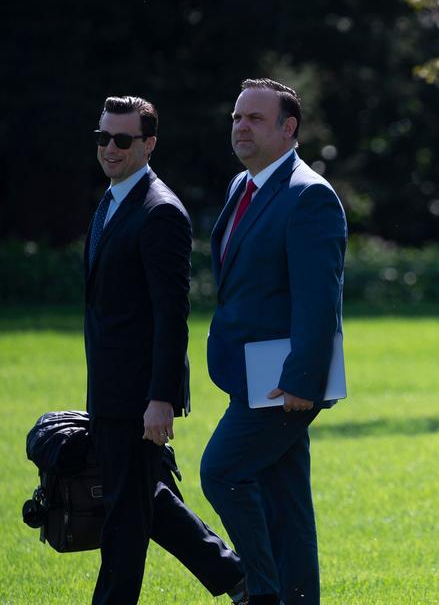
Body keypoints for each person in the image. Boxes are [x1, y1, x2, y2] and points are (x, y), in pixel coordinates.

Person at [83, 96, 246, 605]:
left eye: (123, 140)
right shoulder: (113, 200)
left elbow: (171, 316)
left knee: (124, 518)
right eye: (103, 138)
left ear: (148, 144)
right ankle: (238, 578)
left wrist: (161, 398)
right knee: (144, 496)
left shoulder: (160, 213)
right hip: (111, 388)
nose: (110, 148)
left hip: (138, 396)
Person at [200, 79, 347, 605]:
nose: (241, 126)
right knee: (286, 502)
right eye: (237, 117)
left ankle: (261, 591)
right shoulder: (243, 186)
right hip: (248, 372)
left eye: (254, 119)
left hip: (285, 378)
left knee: (221, 471)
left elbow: (318, 300)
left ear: (289, 129)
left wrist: (303, 380)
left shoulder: (310, 195)